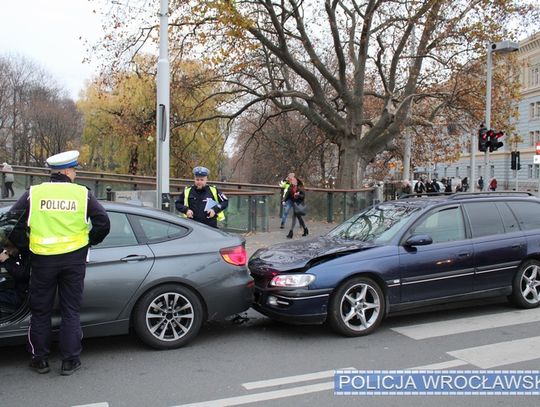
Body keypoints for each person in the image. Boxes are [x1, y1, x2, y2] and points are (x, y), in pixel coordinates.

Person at [10, 150, 110, 375]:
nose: (75, 174)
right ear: (66, 171)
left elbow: (10, 223)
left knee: (41, 311)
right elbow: (103, 222)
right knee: (71, 311)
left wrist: (25, 247)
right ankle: (70, 361)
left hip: (42, 261)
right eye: (74, 170)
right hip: (74, 260)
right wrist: (88, 242)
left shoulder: (34, 193)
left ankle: (40, 359)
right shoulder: (82, 194)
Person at [0, 242, 30, 311]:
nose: (7, 251)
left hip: (20, 295)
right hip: (14, 289)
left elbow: (23, 274)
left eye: (8, 247)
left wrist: (7, 260)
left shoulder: (27, 256)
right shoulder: (18, 255)